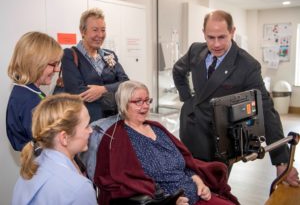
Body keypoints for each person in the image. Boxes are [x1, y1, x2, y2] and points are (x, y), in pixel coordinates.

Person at [172, 10, 299, 186]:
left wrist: (281, 161)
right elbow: (178, 71)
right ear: (203, 33)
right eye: (210, 37)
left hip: (219, 141)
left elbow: (266, 111)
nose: (216, 44)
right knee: (188, 185)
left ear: (232, 32)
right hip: (191, 131)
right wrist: (188, 99)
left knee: (214, 190)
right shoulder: (196, 50)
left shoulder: (247, 65)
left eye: (222, 37)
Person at [93, 80, 239, 205]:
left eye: (147, 100)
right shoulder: (117, 138)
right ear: (124, 104)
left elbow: (184, 165)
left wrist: (200, 183)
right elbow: (123, 184)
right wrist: (169, 201)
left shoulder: (158, 129)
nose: (145, 106)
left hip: (197, 193)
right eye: (138, 102)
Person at [12, 93, 97, 205]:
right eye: (86, 126)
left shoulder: (29, 170)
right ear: (64, 138)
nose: (91, 130)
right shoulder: (79, 189)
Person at [61, 8, 129, 123]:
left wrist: (103, 89)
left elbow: (126, 83)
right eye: (95, 30)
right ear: (83, 31)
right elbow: (76, 91)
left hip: (115, 120)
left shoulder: (109, 55)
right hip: (88, 123)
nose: (100, 35)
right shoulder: (70, 55)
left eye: (103, 30)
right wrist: (114, 93)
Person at [6, 31, 63, 151]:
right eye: (54, 64)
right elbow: (47, 144)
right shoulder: (30, 101)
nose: (57, 69)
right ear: (35, 63)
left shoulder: (27, 92)